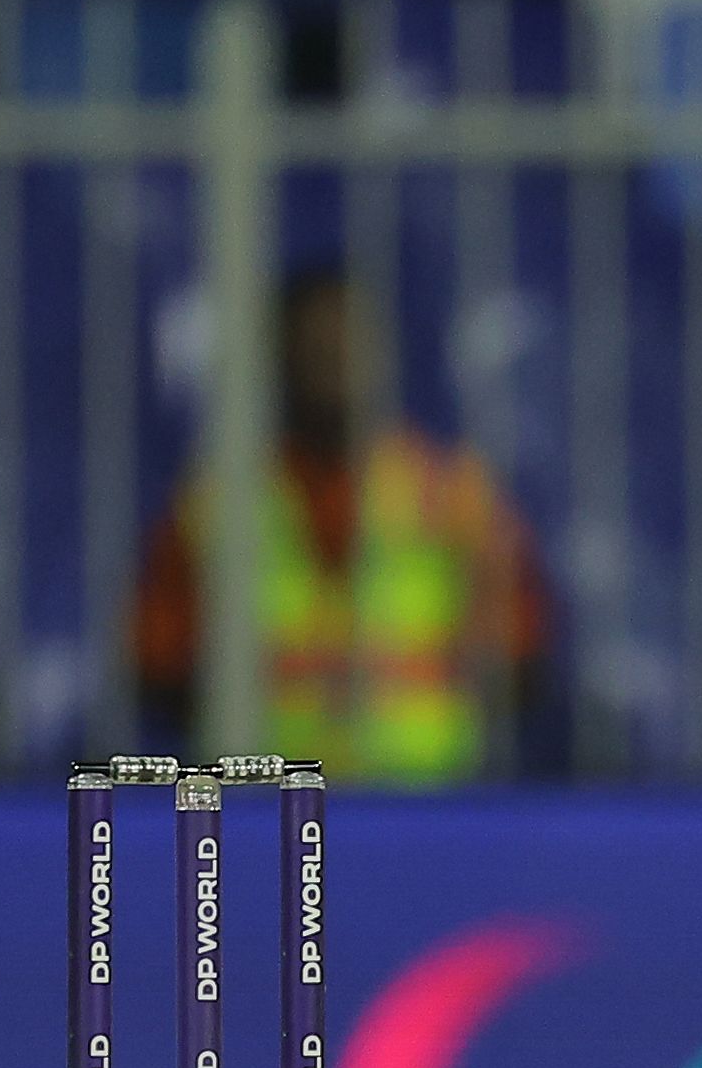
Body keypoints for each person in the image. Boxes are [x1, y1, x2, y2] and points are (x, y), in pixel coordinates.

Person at [134, 268, 547, 782]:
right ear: (280, 358)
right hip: (263, 805)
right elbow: (161, 665)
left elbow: (519, 658)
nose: (336, 362)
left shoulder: (454, 494)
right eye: (319, 345)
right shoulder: (216, 503)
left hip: (425, 806)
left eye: (352, 343)